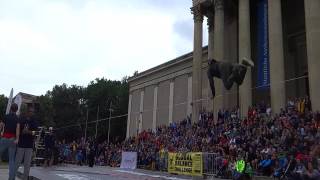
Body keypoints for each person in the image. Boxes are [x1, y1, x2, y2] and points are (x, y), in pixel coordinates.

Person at [15, 105, 38, 180]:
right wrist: (21, 133)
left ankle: (25, 178)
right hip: (21, 144)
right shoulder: (21, 119)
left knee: (27, 165)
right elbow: (17, 129)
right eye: (31, 111)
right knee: (17, 162)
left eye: (33, 112)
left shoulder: (34, 120)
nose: (32, 113)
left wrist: (29, 132)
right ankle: (12, 177)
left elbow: (36, 132)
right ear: (27, 112)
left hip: (29, 145)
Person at [0, 103, 20, 180]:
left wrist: (1, 133)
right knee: (11, 160)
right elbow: (17, 129)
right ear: (16, 110)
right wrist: (17, 139)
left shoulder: (6, 116)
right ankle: (11, 178)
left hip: (4, 138)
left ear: (10, 109)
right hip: (12, 140)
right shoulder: (17, 118)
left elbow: (1, 125)